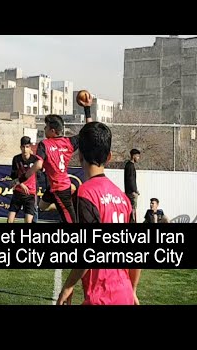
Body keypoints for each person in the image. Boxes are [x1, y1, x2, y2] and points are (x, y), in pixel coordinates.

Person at [57, 122, 141, 305]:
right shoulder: (123, 198)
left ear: (79, 156)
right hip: (124, 293)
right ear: (109, 157)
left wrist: (69, 286)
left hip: (101, 296)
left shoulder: (85, 194)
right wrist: (132, 289)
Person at [11, 91, 93, 223]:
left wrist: (21, 179)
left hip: (59, 189)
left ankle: (70, 205)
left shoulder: (45, 144)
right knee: (42, 206)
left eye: (46, 127)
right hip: (55, 186)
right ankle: (68, 202)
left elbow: (38, 165)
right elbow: (89, 131)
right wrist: (87, 109)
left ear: (53, 131)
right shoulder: (69, 142)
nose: (44, 128)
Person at [8, 136, 39, 224]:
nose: (25, 149)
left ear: (30, 148)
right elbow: (13, 176)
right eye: (23, 147)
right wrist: (21, 184)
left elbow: (40, 173)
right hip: (18, 192)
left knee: (28, 221)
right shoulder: (16, 159)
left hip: (30, 194)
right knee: (10, 220)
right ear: (20, 147)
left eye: (27, 147)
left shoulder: (35, 159)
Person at [124, 149, 141, 223]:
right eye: (137, 156)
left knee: (131, 208)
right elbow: (131, 179)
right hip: (131, 192)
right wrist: (134, 190)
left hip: (129, 191)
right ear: (133, 156)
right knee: (133, 209)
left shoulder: (128, 165)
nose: (138, 158)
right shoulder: (130, 166)